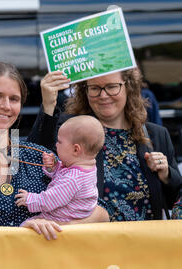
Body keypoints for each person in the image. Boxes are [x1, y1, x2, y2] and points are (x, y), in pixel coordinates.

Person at [0, 61, 109, 241]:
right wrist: (23, 233)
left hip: (44, 266)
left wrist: (57, 226)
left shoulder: (40, 156)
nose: (6, 106)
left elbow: (100, 211)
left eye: (14, 99)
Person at [29, 69, 182, 221]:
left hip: (143, 242)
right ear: (85, 92)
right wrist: (48, 104)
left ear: (128, 87)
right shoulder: (71, 128)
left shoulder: (156, 134)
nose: (103, 95)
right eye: (95, 88)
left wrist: (166, 175)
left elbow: (174, 201)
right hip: (93, 241)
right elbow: (31, 158)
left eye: (112, 86)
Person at [15, 115, 104, 223]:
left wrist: (30, 199)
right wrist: (53, 168)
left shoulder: (73, 179)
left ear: (76, 149)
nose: (56, 144)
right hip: (72, 218)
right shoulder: (86, 168)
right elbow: (63, 175)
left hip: (59, 220)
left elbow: (51, 200)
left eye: (59, 141)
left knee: (27, 226)